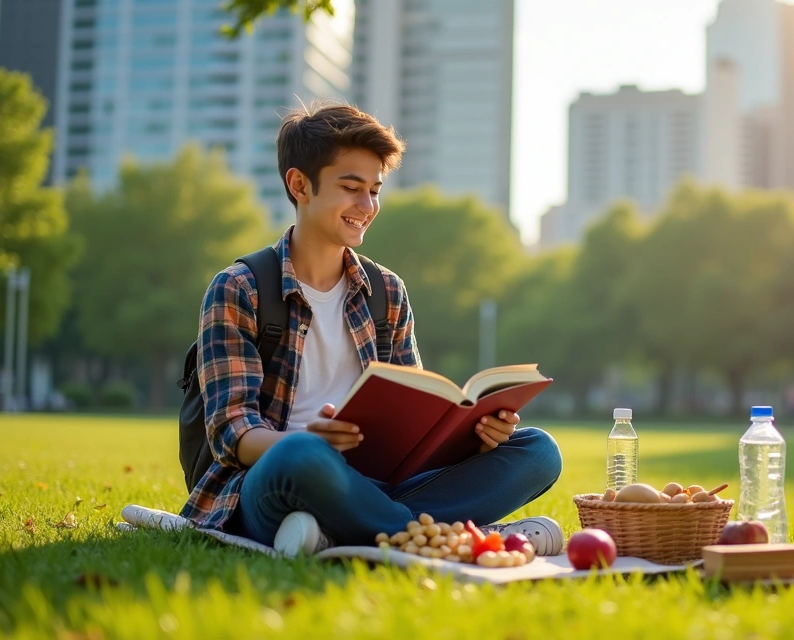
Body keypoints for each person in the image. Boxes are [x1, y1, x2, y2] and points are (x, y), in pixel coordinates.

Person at [178, 100, 564, 558]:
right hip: (276, 480)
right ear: (300, 185)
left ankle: (348, 532)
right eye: (351, 188)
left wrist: (477, 439)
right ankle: (438, 537)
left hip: (378, 483)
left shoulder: (387, 292)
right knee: (301, 456)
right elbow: (233, 434)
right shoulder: (240, 288)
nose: (367, 206)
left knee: (538, 451)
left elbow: (414, 428)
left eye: (375, 191)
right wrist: (310, 441)